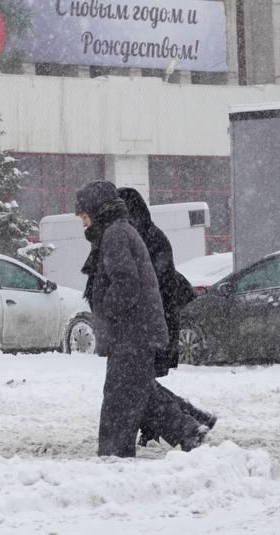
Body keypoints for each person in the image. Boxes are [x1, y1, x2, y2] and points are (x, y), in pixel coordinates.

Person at [77, 180, 204, 457]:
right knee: (139, 392)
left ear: (98, 210)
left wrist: (104, 308)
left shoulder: (115, 236)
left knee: (119, 399)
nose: (82, 220)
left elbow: (125, 285)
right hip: (135, 332)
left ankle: (114, 456)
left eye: (84, 213)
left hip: (132, 334)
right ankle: (187, 429)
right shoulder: (118, 232)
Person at [117, 187, 218, 444]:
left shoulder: (144, 238)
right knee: (141, 381)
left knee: (138, 383)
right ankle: (182, 420)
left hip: (154, 322)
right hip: (157, 320)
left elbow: (153, 284)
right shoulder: (148, 235)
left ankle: (189, 421)